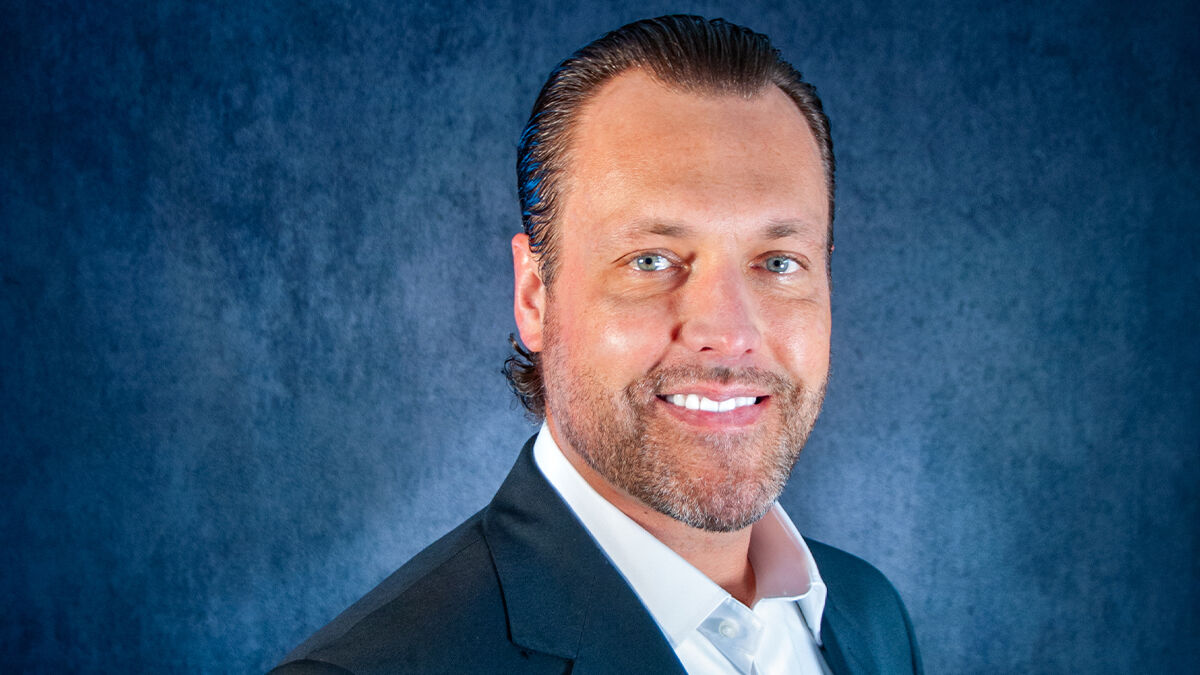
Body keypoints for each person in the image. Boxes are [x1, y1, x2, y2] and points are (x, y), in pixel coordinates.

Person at [271, 15, 921, 675]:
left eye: (778, 262)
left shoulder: (870, 616)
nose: (729, 332)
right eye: (651, 259)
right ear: (534, 295)